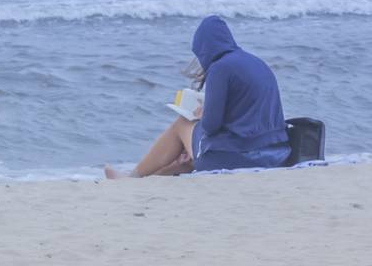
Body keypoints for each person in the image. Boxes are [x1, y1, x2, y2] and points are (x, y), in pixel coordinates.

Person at [105, 16, 290, 178]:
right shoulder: (256, 62)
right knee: (195, 146)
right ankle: (154, 176)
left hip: (241, 157)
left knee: (182, 124)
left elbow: (211, 126)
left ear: (203, 48)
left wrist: (203, 113)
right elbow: (246, 115)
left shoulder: (221, 68)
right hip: (276, 153)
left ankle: (134, 176)